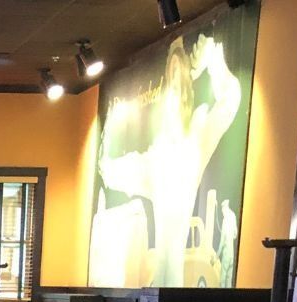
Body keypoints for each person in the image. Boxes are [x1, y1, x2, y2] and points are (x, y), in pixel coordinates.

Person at [96, 33, 242, 287]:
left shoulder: (196, 139)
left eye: (178, 84)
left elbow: (230, 101)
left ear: (187, 91)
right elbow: (108, 171)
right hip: (156, 289)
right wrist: (109, 126)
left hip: (172, 291)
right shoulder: (153, 161)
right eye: (169, 83)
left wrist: (214, 59)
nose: (171, 96)